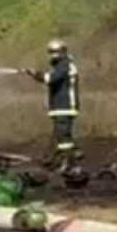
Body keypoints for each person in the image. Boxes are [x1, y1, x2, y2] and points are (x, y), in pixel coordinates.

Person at [20, 38, 80, 168]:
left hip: (65, 106)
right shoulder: (61, 65)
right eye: (51, 52)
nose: (53, 55)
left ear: (62, 51)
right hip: (61, 107)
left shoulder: (64, 65)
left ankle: (68, 163)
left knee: (62, 137)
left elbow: (50, 79)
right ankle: (67, 159)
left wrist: (34, 73)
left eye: (55, 52)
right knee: (62, 136)